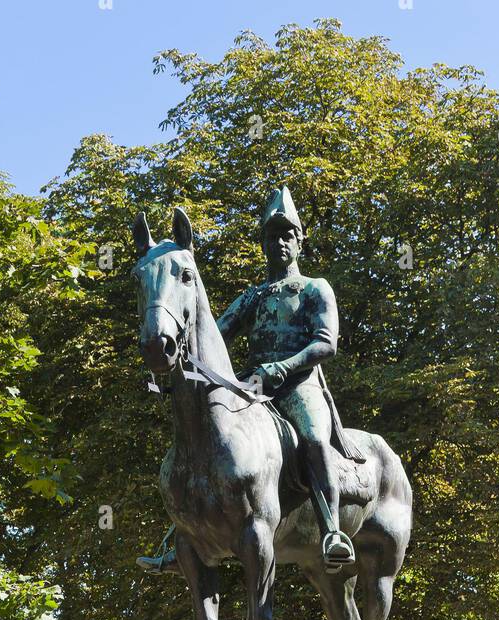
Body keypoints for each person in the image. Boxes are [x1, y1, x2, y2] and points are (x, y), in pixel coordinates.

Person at [138, 185, 358, 575]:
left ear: (299, 241)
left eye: (287, 234)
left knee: (312, 439)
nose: (279, 242)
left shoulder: (313, 288)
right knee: (205, 437)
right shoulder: (253, 296)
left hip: (299, 384)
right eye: (272, 236)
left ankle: (332, 531)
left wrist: (284, 367)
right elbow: (213, 333)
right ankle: (186, 534)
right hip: (252, 386)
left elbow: (325, 344)